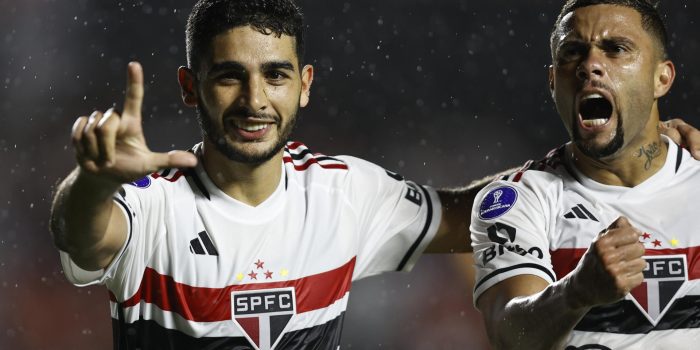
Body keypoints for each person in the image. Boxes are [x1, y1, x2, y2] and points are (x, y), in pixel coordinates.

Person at [50, 0, 699, 349]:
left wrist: (633, 150)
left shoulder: (346, 193)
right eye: (229, 76)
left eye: (275, 75)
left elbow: (474, 210)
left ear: (304, 87)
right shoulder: (153, 202)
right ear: (191, 89)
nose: (254, 100)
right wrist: (97, 180)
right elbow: (82, 236)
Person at [471, 0, 700, 349]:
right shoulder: (521, 200)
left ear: (661, 78)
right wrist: (576, 293)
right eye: (573, 52)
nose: (590, 65)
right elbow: (510, 334)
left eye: (616, 49)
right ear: (552, 81)